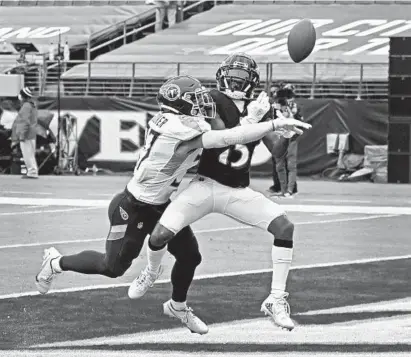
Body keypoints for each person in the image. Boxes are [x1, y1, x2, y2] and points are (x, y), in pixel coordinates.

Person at [34, 75, 307, 335]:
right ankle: (56, 262)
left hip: (160, 205)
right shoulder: (178, 128)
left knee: (191, 256)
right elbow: (227, 138)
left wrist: (253, 118)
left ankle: (177, 306)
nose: (203, 102)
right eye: (196, 98)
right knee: (112, 267)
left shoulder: (181, 119)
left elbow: (231, 134)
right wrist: (270, 124)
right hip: (133, 206)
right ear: (181, 103)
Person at [128, 54, 312, 332]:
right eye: (233, 74)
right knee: (160, 235)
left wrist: (288, 134)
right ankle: (152, 271)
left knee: (284, 227)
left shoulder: (258, 104)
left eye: (242, 76)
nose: (236, 80)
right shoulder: (211, 99)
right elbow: (222, 139)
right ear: (222, 74)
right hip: (204, 184)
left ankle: (276, 299)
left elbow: (276, 151)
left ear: (252, 80)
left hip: (237, 190)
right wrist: (253, 120)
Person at [11, 87, 39, 179]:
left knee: (27, 154)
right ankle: (33, 171)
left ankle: (32, 172)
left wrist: (21, 135)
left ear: (23, 96)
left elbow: (24, 122)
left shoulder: (26, 106)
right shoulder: (31, 105)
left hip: (26, 134)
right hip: (31, 133)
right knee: (30, 154)